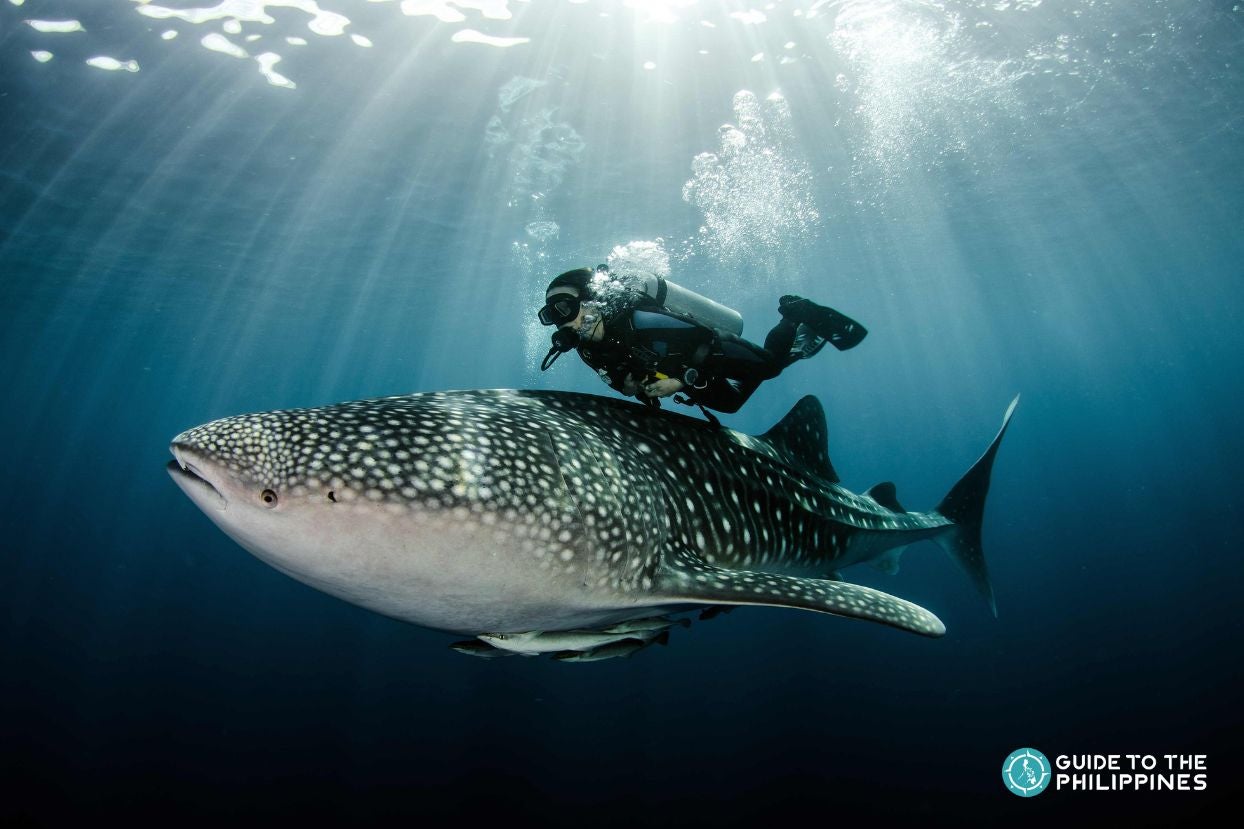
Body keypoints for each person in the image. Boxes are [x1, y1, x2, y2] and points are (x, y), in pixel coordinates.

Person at [537, 265, 866, 414]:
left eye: (564, 308)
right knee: (731, 405)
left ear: (591, 299)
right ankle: (791, 341)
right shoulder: (588, 351)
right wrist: (634, 386)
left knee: (770, 367)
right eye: (552, 316)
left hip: (709, 350)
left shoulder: (639, 318)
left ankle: (793, 315)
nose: (562, 322)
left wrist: (678, 381)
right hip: (679, 373)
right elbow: (618, 381)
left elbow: (702, 337)